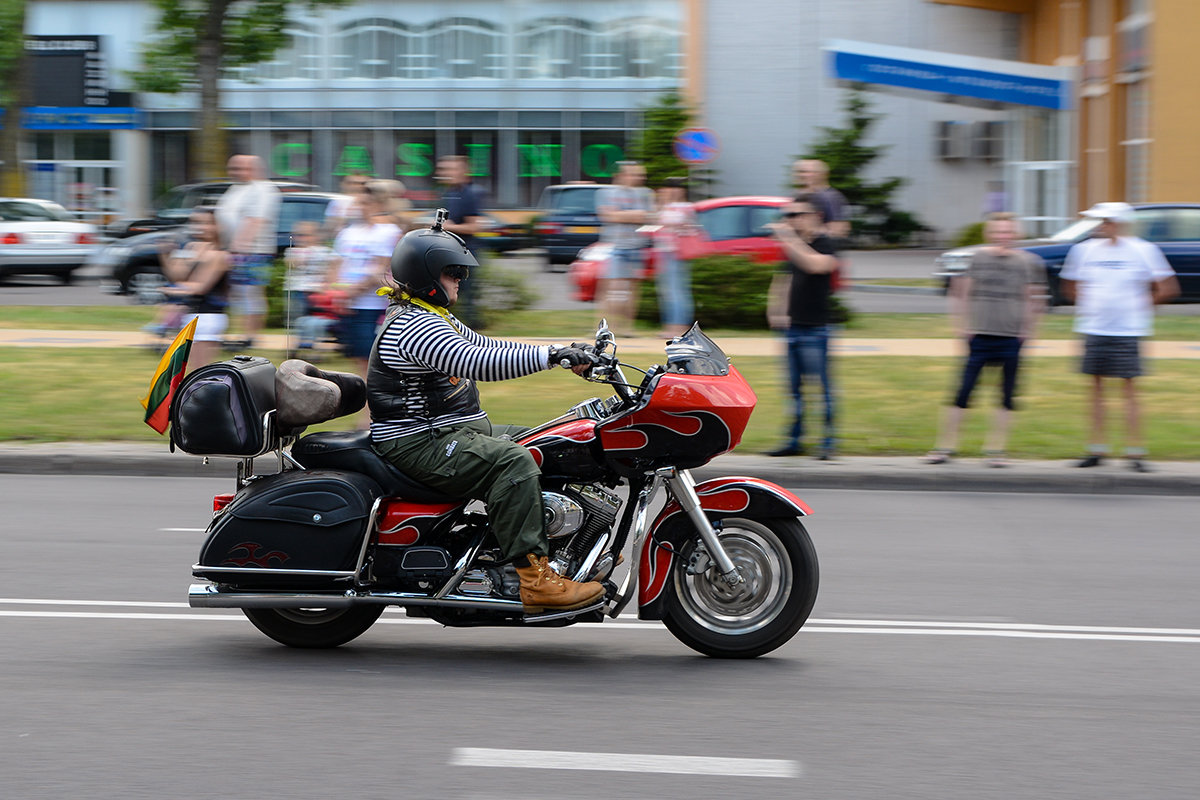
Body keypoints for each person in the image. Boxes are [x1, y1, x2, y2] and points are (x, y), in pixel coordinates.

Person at [369, 219, 604, 614]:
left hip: (450, 431)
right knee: (514, 461)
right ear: (426, 275)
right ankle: (536, 581)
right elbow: (480, 360)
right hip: (418, 441)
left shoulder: (431, 315)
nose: (461, 280)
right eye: (453, 272)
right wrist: (554, 358)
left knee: (554, 439)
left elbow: (487, 343)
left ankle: (558, 546)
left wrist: (564, 348)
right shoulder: (413, 326)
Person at [1059, 202, 1180, 472]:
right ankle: (1095, 450)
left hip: (1128, 332)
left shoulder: (1144, 250)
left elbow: (1168, 287)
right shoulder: (1084, 250)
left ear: (1120, 223)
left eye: (1107, 221)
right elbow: (1070, 285)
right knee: (1096, 391)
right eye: (1101, 221)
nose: (1102, 226)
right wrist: (1089, 309)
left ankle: (1135, 452)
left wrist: (1140, 308)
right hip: (1095, 330)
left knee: (1130, 392)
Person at [925, 213, 1047, 467]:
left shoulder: (1026, 263)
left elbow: (1033, 299)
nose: (1003, 236)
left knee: (1006, 397)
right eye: (998, 231)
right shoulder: (978, 258)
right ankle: (945, 447)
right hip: (980, 336)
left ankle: (996, 451)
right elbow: (961, 293)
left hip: (1011, 338)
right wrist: (961, 328)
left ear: (1015, 235)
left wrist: (1029, 332)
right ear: (990, 234)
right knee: (962, 394)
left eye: (1008, 232)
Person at [765, 195, 840, 460]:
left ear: (815, 216)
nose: (791, 220)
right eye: (789, 215)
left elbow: (816, 265)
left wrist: (789, 238)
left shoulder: (826, 242)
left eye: (797, 214)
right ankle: (793, 440)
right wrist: (776, 310)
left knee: (822, 388)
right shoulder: (796, 245)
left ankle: (828, 442)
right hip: (793, 329)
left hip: (816, 329)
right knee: (793, 390)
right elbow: (784, 279)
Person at [327, 180, 403, 384]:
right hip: (348, 304)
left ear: (378, 204)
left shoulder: (387, 231)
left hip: (371, 305)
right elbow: (335, 264)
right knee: (358, 359)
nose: (360, 207)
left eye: (365, 203)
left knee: (371, 361)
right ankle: (368, 408)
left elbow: (378, 269)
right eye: (358, 203)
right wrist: (337, 294)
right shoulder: (347, 233)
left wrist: (350, 293)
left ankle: (369, 411)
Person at [214, 154, 280, 348]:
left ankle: (250, 336)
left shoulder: (263, 189)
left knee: (250, 293)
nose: (236, 172)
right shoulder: (236, 189)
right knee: (237, 295)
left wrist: (239, 249)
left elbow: (255, 220)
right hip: (233, 250)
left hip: (253, 251)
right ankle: (239, 334)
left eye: (241, 168)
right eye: (233, 168)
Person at [158, 208, 230, 370]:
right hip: (191, 315)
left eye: (206, 223)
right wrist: (165, 255)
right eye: (197, 222)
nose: (201, 227)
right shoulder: (192, 247)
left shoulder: (219, 255)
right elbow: (177, 275)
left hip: (209, 317)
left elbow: (201, 286)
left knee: (200, 371)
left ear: (216, 227)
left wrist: (173, 290)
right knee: (190, 371)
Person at [596, 161, 655, 335]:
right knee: (609, 289)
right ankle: (603, 328)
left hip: (636, 246)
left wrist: (620, 215)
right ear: (623, 175)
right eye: (635, 174)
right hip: (614, 246)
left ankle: (627, 329)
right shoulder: (606, 193)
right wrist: (634, 215)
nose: (640, 178)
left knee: (633, 290)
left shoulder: (645, 194)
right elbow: (607, 216)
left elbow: (648, 216)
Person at [436, 155, 488, 327]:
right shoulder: (450, 194)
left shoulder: (470, 194)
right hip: (450, 252)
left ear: (464, 171)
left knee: (466, 298)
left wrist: (449, 227)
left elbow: (474, 227)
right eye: (444, 169)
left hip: (466, 253)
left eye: (450, 169)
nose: (445, 173)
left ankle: (471, 334)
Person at [651, 176, 697, 338]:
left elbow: (670, 223)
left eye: (672, 188)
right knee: (670, 291)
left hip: (675, 253)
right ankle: (672, 326)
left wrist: (662, 204)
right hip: (666, 253)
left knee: (676, 291)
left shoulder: (683, 207)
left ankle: (678, 328)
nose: (669, 192)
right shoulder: (673, 206)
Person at [282, 220, 338, 352]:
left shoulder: (325, 251)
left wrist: (329, 284)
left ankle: (310, 343)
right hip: (296, 289)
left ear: (316, 236)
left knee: (312, 318)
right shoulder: (292, 251)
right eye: (299, 235)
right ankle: (297, 343)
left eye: (306, 235)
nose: (302, 239)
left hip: (315, 292)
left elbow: (335, 264)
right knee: (295, 319)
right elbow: (293, 263)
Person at [792, 159, 849, 240]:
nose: (801, 175)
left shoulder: (831, 197)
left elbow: (838, 230)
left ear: (821, 174)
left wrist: (812, 229)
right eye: (799, 172)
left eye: (806, 172)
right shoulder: (802, 196)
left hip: (820, 250)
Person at [323, 172, 369, 241]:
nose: (357, 186)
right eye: (353, 183)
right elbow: (330, 225)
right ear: (344, 184)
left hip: (365, 239)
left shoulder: (370, 201)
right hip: (343, 239)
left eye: (362, 183)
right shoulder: (337, 202)